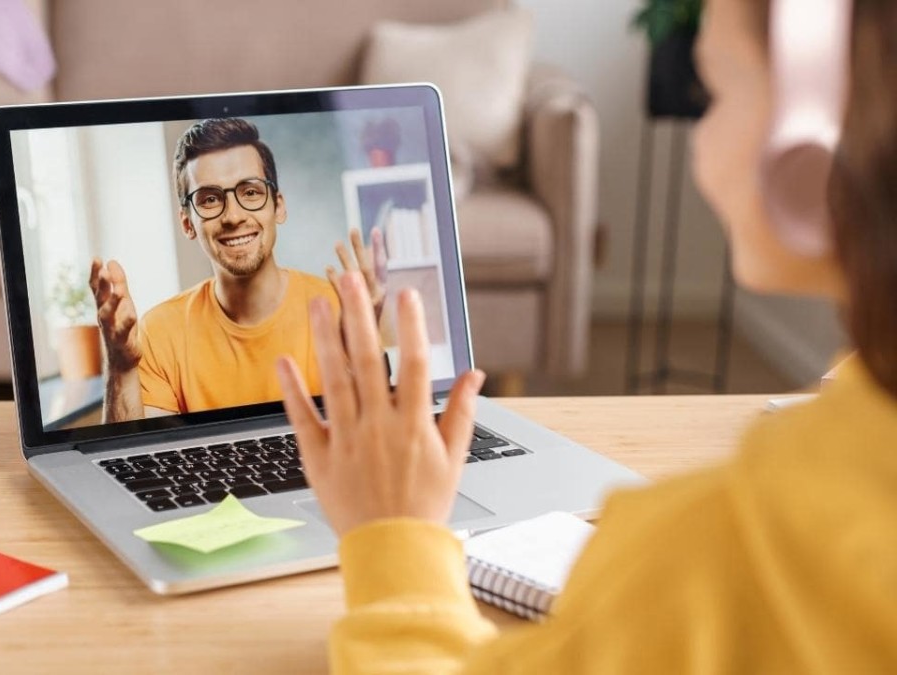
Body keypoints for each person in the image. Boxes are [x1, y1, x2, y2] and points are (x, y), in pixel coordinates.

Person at [275, 0, 897, 671]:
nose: (700, 134)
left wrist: (391, 536)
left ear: (815, 133)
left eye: (713, 92)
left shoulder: (723, 560)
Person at [89, 117, 388, 423]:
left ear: (278, 206)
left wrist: (364, 354)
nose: (233, 216)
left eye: (250, 192)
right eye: (209, 199)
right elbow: (140, 462)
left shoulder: (342, 309)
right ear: (187, 223)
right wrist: (120, 364)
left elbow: (379, 441)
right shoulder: (159, 333)